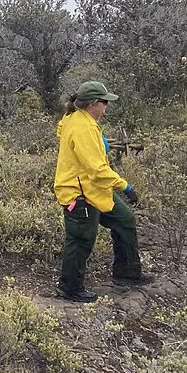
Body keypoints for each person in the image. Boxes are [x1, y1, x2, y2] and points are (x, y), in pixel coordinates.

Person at [54, 80, 154, 303]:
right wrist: (125, 186)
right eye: (104, 102)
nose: (106, 107)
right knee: (80, 239)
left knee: (125, 220)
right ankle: (69, 287)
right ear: (92, 104)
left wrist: (98, 142)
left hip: (95, 190)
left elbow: (62, 130)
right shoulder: (82, 127)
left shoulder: (77, 118)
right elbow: (98, 170)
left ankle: (127, 272)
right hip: (78, 193)